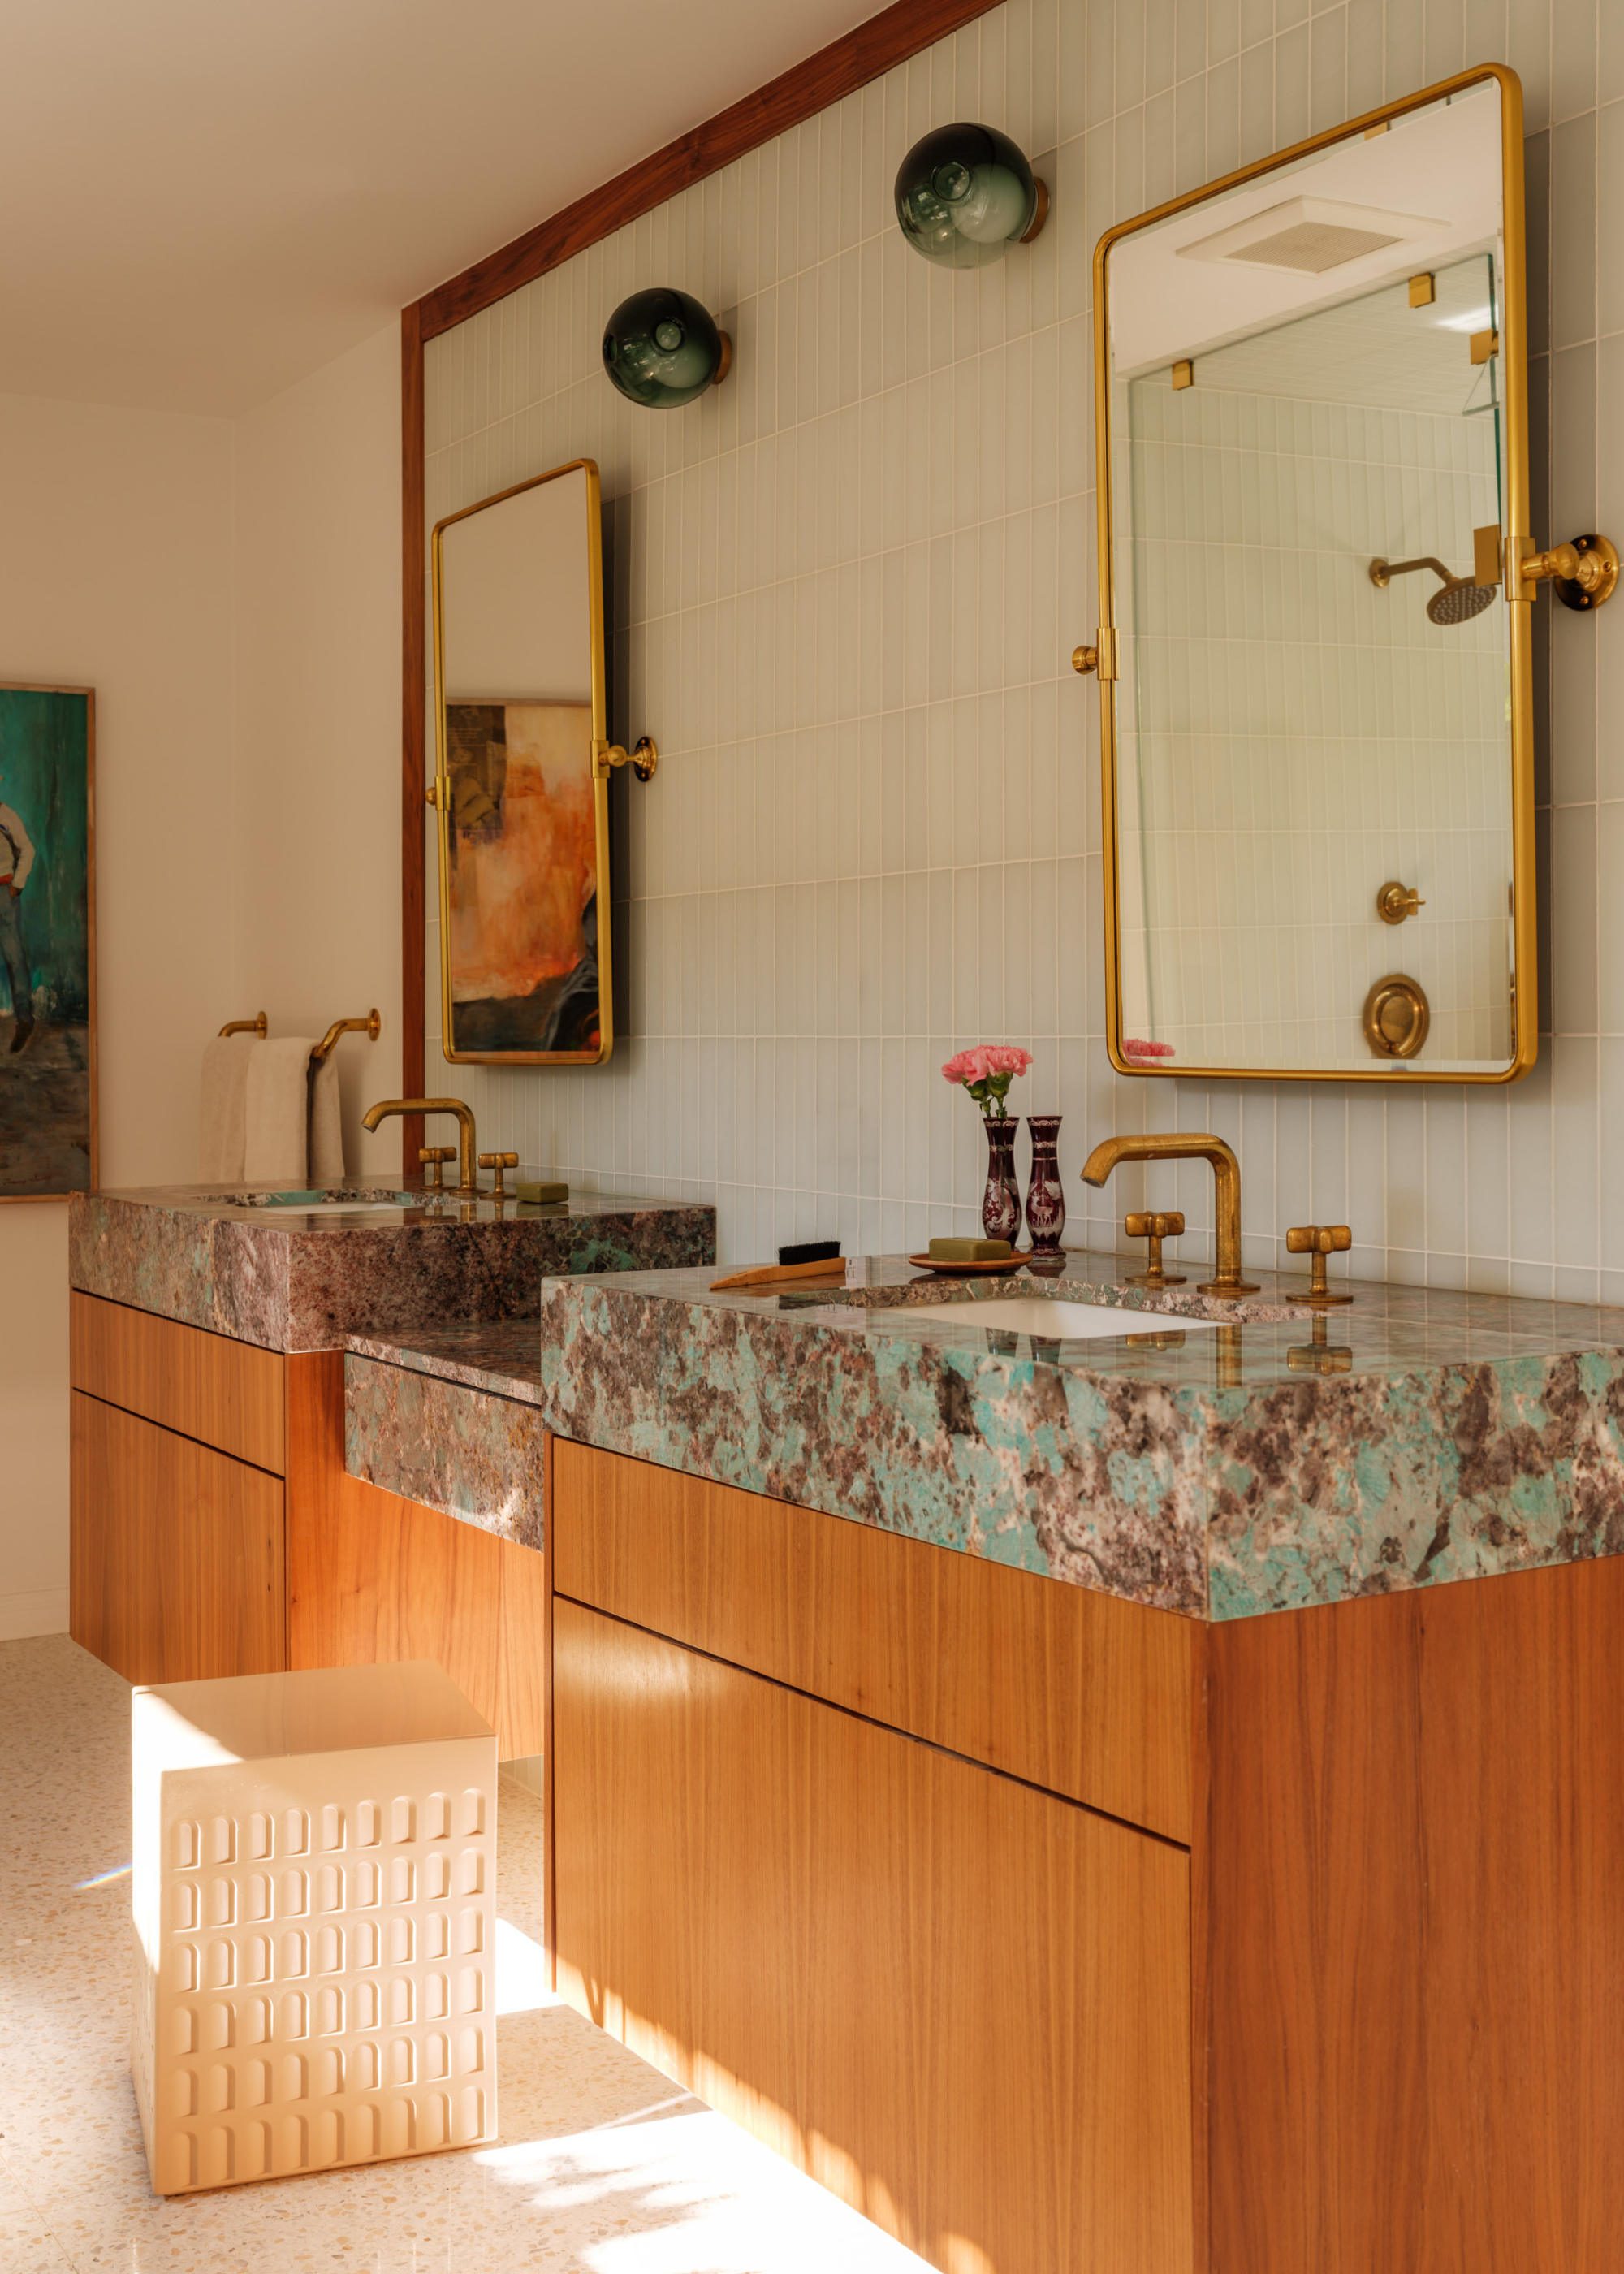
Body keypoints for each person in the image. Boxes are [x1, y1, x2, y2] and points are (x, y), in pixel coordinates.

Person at [0, 776, 37, 1053]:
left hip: (4, 894)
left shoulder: (6, 815)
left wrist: (16, 886)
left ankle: (25, 1020)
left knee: (13, 957)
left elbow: (27, 850)